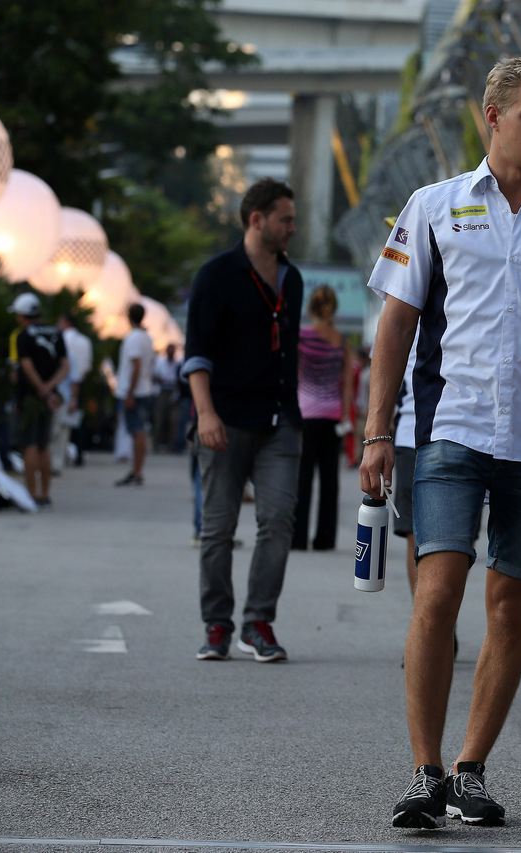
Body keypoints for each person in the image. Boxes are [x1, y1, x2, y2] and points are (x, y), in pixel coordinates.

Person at [361, 56, 521, 830]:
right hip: (447, 430)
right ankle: (424, 770)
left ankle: (471, 769)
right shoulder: (434, 205)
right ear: (494, 118)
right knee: (437, 592)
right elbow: (396, 325)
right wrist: (379, 431)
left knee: (510, 606)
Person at [183, 177, 303, 663]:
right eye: (286, 219)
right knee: (218, 528)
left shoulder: (291, 279)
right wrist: (205, 413)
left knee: (277, 521)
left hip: (280, 420)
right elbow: (196, 354)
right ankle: (216, 623)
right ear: (258, 220)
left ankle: (258, 622)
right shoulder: (216, 275)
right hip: (226, 420)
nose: (292, 228)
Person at [291, 285, 353, 551]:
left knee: (302, 478)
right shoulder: (341, 340)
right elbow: (347, 383)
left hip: (306, 413)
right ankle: (325, 539)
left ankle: (298, 537)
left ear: (311, 308)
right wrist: (344, 417)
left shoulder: (302, 337)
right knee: (330, 481)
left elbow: (295, 375)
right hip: (332, 415)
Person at [9, 293, 69, 508]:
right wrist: (51, 387)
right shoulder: (56, 332)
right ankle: (45, 493)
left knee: (30, 445)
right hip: (50, 398)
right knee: (44, 445)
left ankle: (31, 493)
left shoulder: (23, 335)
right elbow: (65, 365)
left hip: (30, 397)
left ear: (23, 315)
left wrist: (41, 388)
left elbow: (26, 365)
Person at [115, 304, 156, 487]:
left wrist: (129, 393)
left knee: (137, 431)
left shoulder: (133, 338)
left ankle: (137, 471)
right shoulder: (146, 337)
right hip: (143, 389)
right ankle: (136, 470)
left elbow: (136, 366)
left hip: (136, 391)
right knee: (137, 431)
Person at [57, 314, 93, 467]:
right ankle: (79, 454)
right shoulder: (85, 341)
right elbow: (87, 367)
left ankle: (60, 456)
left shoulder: (61, 339)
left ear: (66, 323)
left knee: (61, 425)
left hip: (63, 385)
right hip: (79, 383)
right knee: (77, 422)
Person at [151, 343, 182, 452]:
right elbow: (154, 376)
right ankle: (156, 445)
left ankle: (170, 446)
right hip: (162, 392)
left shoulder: (177, 364)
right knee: (159, 418)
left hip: (173, 393)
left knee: (172, 420)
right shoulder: (160, 362)